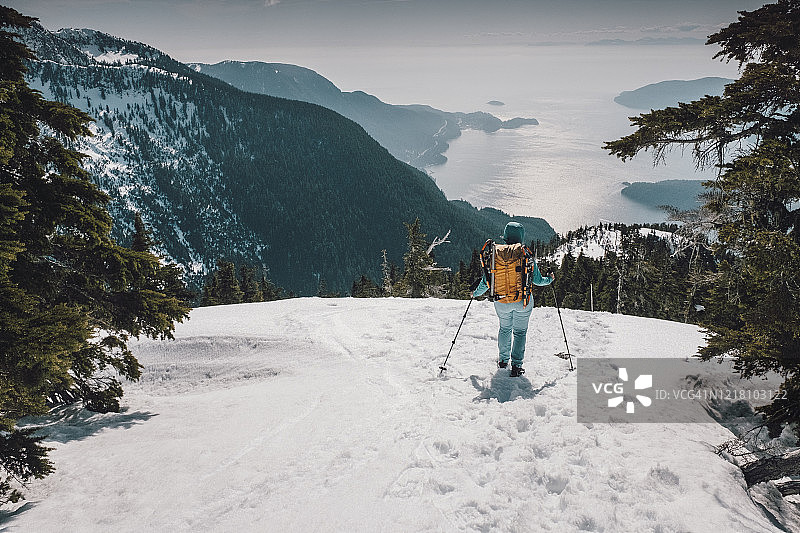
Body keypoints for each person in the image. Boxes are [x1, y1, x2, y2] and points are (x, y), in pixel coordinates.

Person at [472, 222, 554, 377]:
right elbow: (537, 280)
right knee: (520, 332)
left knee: (504, 329)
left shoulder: (496, 254)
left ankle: (503, 361)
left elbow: (487, 281)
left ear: (506, 236)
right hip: (522, 301)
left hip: (501, 301)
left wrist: (475, 293)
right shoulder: (524, 253)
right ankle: (516, 366)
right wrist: (549, 279)